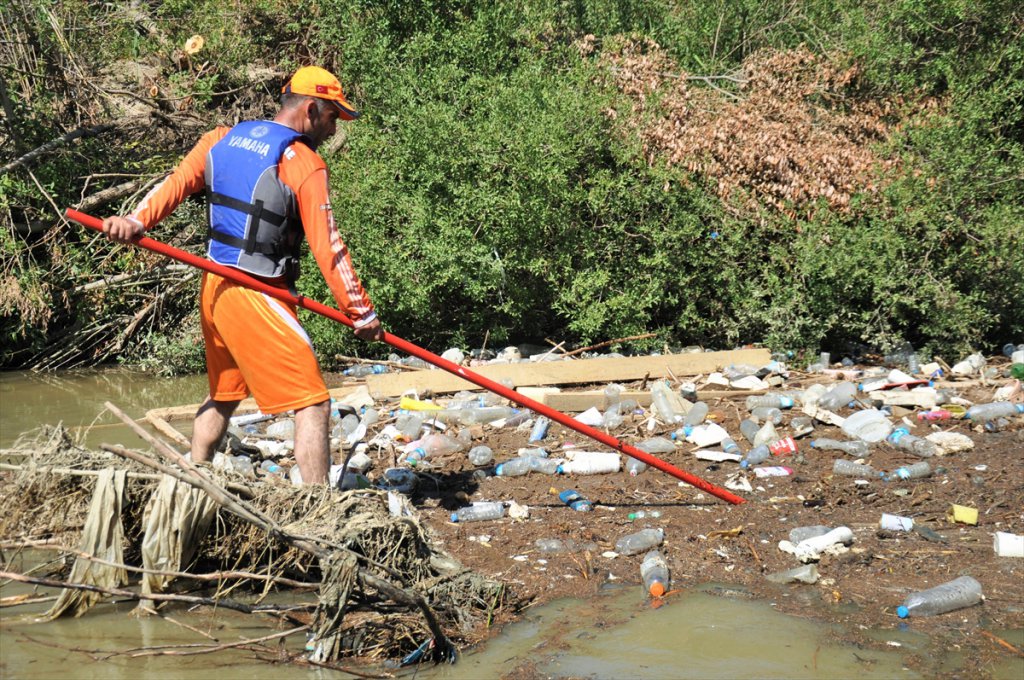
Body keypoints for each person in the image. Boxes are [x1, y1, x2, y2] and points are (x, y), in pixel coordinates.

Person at [102, 66, 383, 484]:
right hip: (255, 292)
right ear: (310, 109)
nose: (333, 128)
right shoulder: (304, 162)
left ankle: (191, 479)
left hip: (215, 288)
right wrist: (360, 310)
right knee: (313, 404)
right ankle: (320, 508)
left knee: (225, 394)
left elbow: (174, 184)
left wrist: (137, 220)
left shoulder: (221, 139)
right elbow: (330, 246)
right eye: (331, 117)